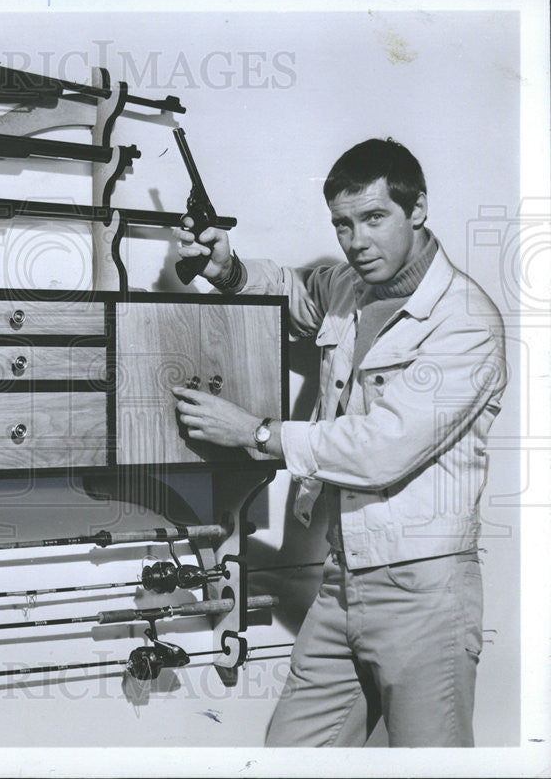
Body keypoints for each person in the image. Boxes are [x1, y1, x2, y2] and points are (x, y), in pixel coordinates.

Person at [172, 138, 506, 747]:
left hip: (424, 591)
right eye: (343, 224)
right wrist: (229, 269)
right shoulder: (351, 289)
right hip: (341, 577)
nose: (357, 241)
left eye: (374, 218)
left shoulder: (465, 322)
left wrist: (255, 433)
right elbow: (294, 293)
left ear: (418, 208)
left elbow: (382, 449)